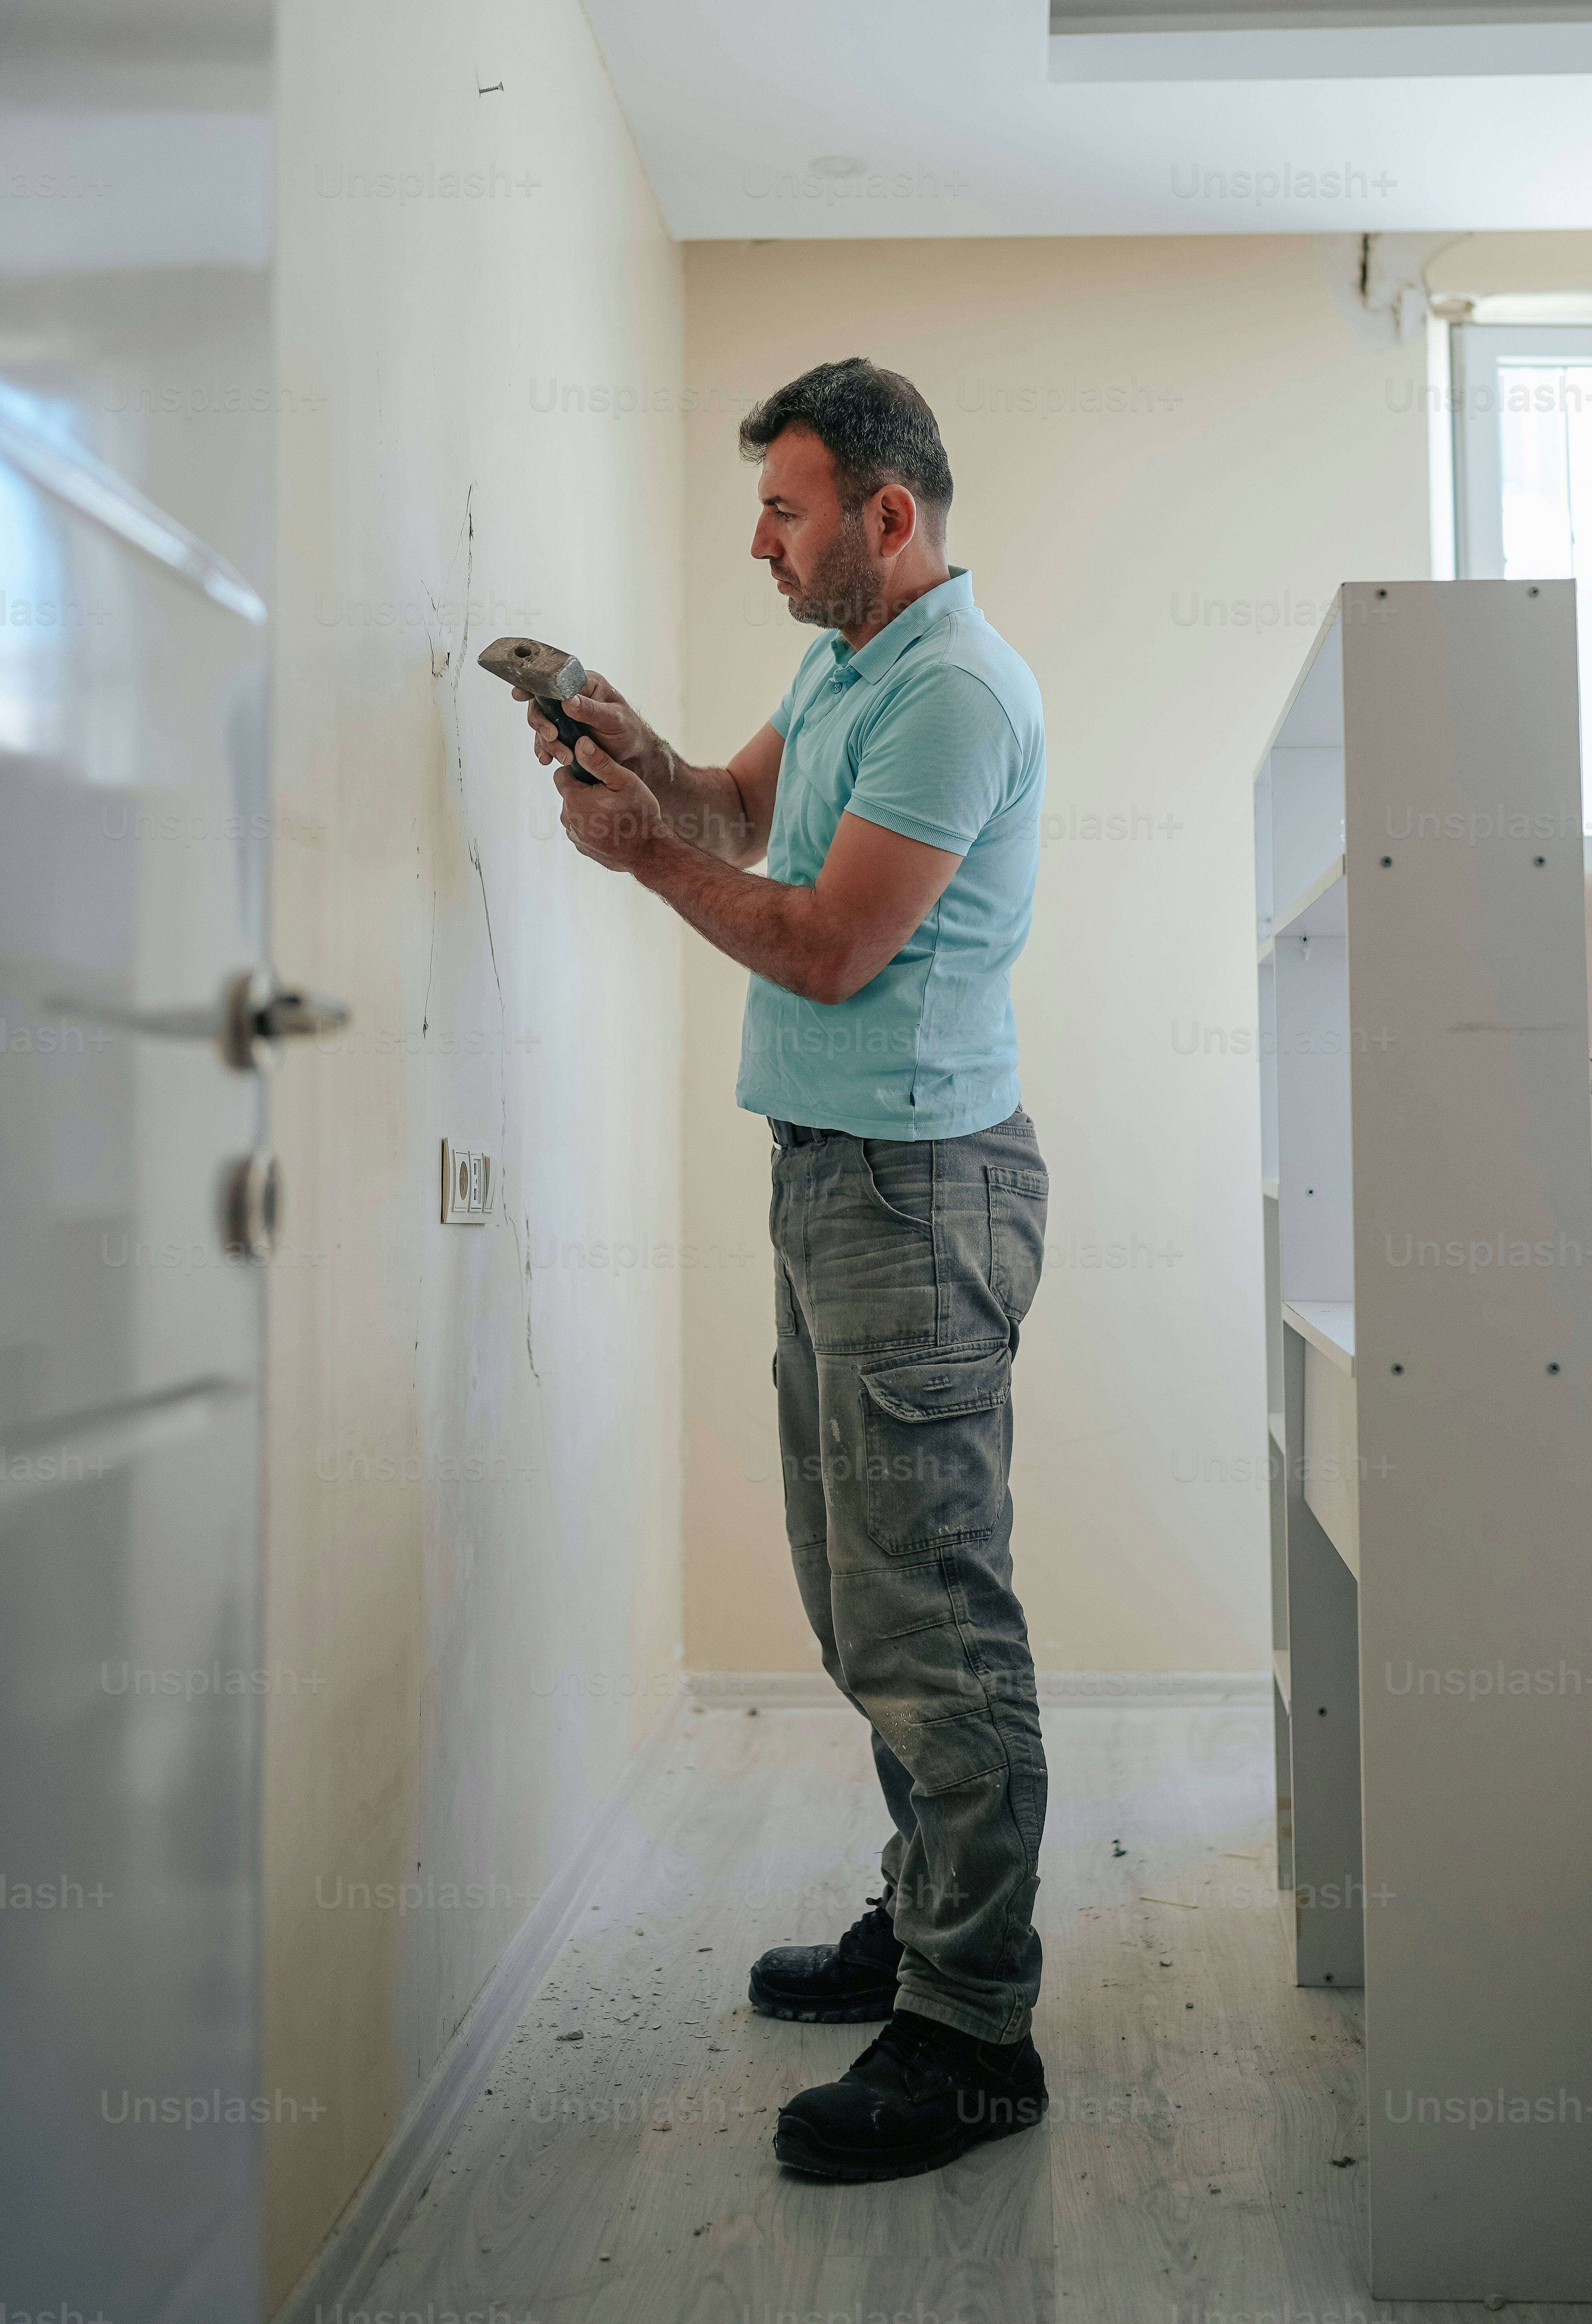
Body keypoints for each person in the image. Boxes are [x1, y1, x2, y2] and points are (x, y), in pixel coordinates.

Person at [518, 357, 1051, 2182]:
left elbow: (823, 949)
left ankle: (976, 2032)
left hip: (918, 1197)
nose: (759, 540)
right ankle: (929, 1919)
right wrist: (624, 747)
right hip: (835, 1185)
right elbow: (738, 821)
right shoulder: (845, 665)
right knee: (858, 1606)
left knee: (935, 1626)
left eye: (788, 509)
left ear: (887, 518)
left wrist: (636, 856)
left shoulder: (956, 695)